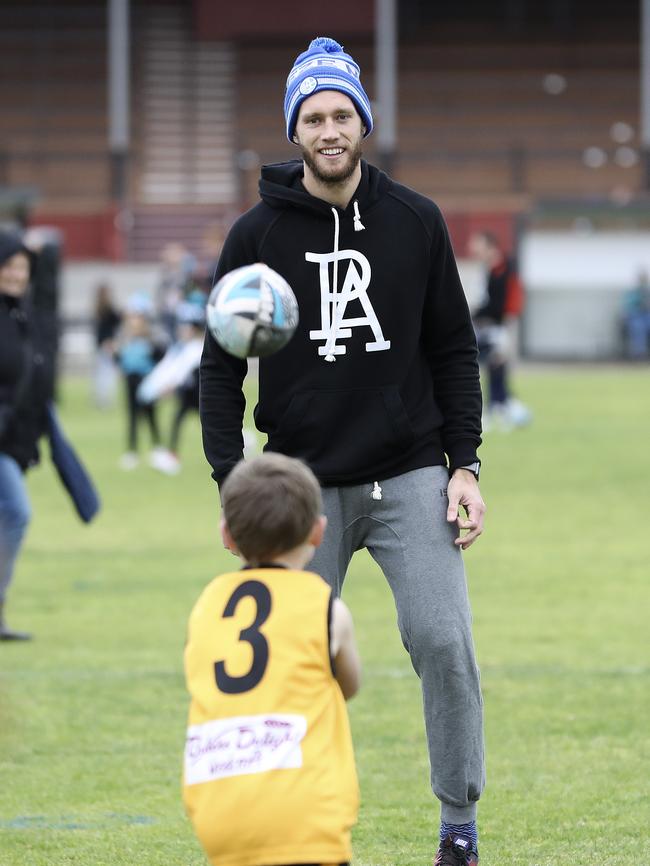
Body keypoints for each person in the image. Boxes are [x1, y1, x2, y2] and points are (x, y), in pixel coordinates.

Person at [200, 36, 485, 866]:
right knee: (292, 666)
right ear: (295, 132)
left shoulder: (416, 222)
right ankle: (290, 833)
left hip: (409, 471)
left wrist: (464, 464)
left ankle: (458, 826)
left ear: (365, 120)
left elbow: (453, 350)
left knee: (443, 642)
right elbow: (220, 369)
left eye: (341, 113)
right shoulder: (254, 236)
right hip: (299, 488)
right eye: (313, 117)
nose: (330, 128)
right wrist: (233, 478)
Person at [183, 452, 361, 866]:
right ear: (318, 532)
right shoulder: (325, 608)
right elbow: (349, 685)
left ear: (227, 534)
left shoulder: (208, 604)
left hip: (218, 807)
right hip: (304, 813)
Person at [0, 231, 54, 641]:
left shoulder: (22, 313)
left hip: (13, 440)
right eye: (9, 265)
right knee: (16, 512)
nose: (16, 274)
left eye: (22, 267)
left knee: (13, 515)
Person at [137, 291, 207, 475]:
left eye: (185, 326)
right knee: (177, 421)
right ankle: (171, 455)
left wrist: (167, 388)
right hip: (189, 395)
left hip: (201, 396)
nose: (181, 330)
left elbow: (181, 372)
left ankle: (244, 441)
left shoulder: (196, 348)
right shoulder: (181, 347)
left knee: (210, 424)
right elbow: (168, 368)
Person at [468, 230, 532, 431]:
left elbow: (501, 304)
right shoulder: (490, 269)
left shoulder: (504, 268)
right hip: (487, 328)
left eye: (477, 244)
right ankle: (496, 410)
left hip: (497, 328)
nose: (474, 249)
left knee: (495, 369)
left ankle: (500, 410)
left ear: (489, 246)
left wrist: (474, 313)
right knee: (486, 369)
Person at [114, 292, 165, 470]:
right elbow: (119, 357)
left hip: (147, 379)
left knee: (151, 415)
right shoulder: (124, 336)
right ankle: (132, 451)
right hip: (131, 379)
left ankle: (157, 448)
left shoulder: (152, 337)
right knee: (132, 416)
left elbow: (160, 356)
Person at [92, 281, 122, 409]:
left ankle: (102, 399)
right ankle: (104, 400)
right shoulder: (107, 309)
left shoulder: (99, 308)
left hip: (102, 344)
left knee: (102, 373)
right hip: (107, 344)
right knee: (107, 373)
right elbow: (116, 320)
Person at [621, 268, 650, 360]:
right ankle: (639, 352)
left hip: (647, 315)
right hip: (636, 315)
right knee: (638, 328)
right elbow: (628, 306)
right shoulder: (633, 291)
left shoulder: (648, 291)